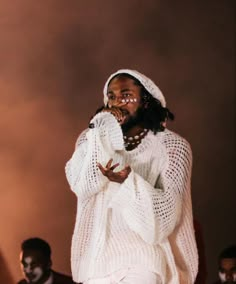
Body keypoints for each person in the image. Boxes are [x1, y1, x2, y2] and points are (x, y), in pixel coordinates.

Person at [65, 69, 198, 284]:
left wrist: (129, 183)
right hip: (96, 262)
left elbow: (164, 220)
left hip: (142, 259)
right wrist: (100, 131)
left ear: (146, 101)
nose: (117, 102)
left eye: (126, 95)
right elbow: (82, 185)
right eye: (112, 96)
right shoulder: (91, 139)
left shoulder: (173, 146)